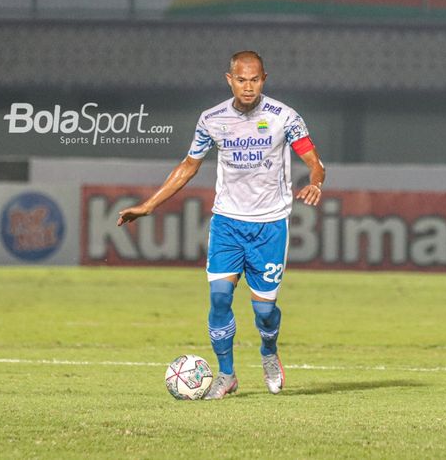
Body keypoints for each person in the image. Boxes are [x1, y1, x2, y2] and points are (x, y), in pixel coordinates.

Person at [117, 51, 325, 399]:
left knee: (265, 311)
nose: (248, 86)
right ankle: (227, 375)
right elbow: (188, 165)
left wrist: (315, 182)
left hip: (269, 225)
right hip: (227, 222)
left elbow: (314, 161)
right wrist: (149, 205)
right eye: (241, 79)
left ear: (264, 79)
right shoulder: (212, 119)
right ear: (229, 79)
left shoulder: (284, 117)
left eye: (254, 79)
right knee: (219, 298)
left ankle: (268, 351)